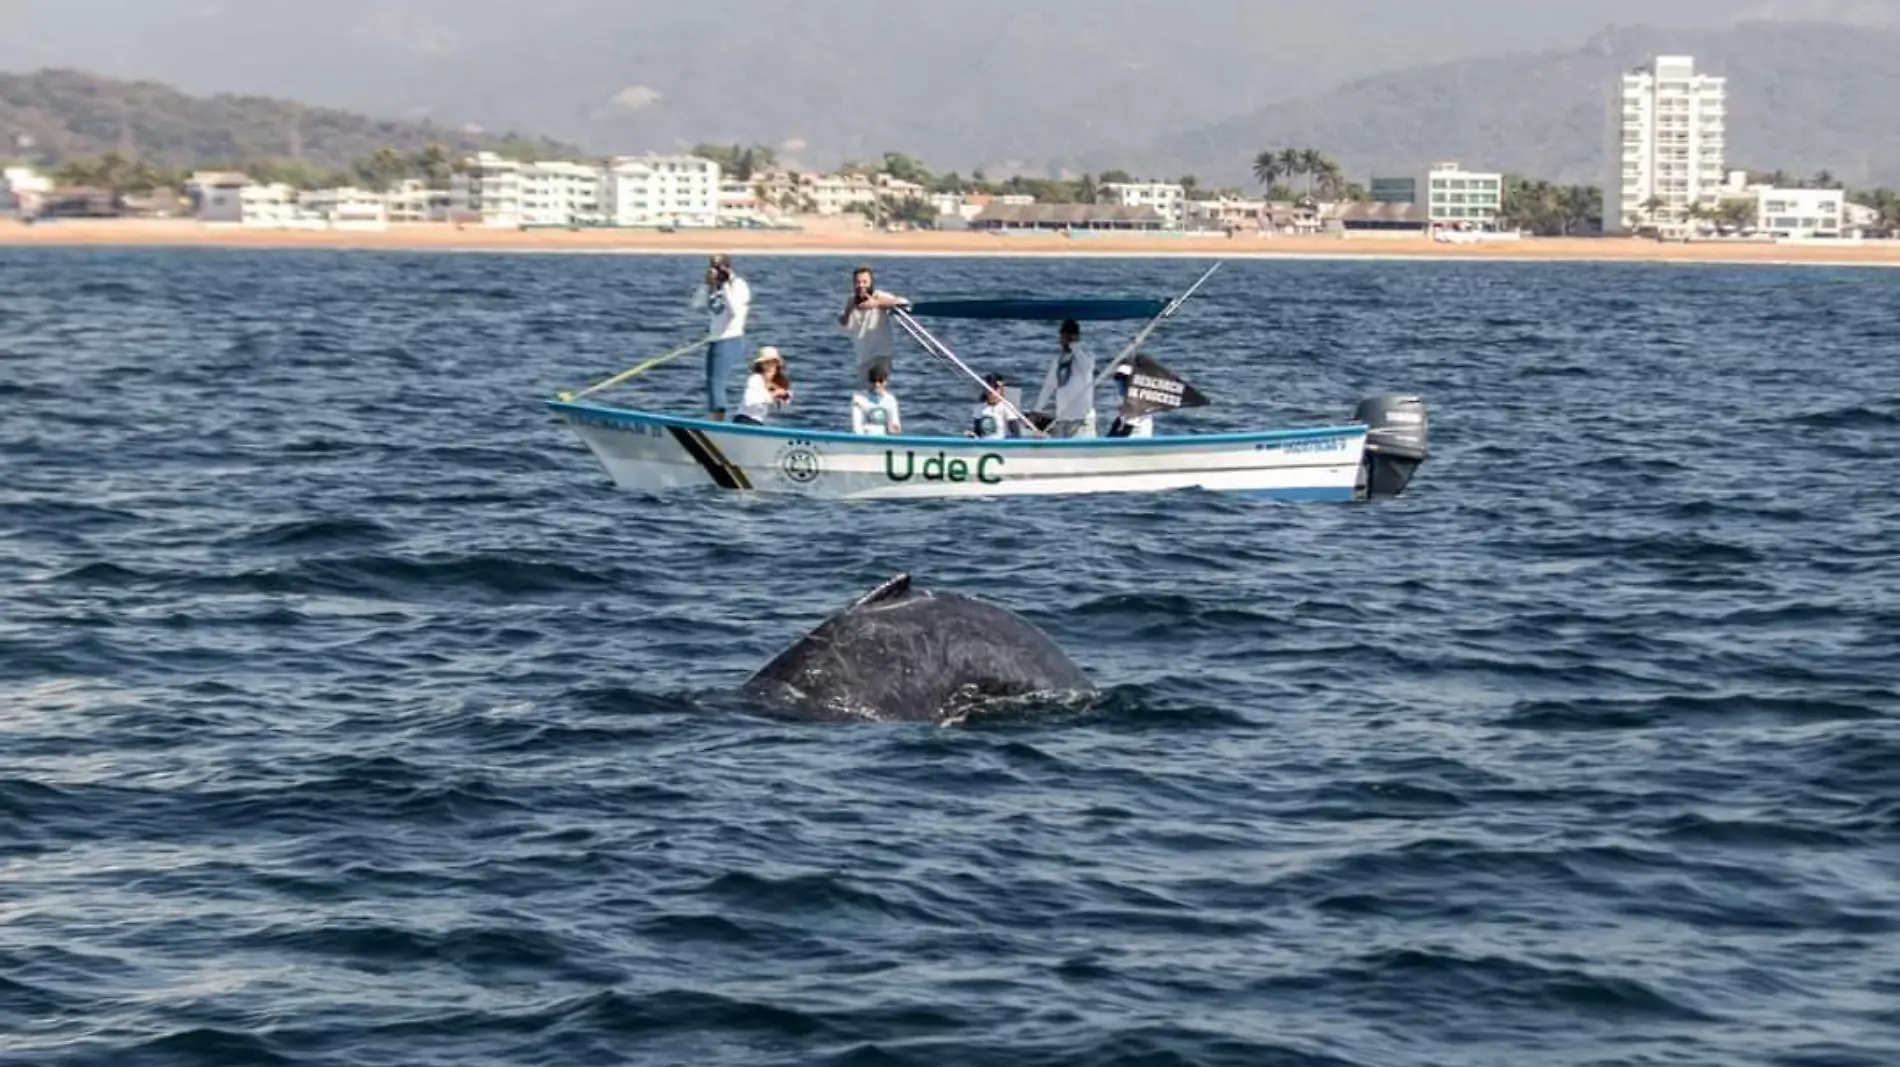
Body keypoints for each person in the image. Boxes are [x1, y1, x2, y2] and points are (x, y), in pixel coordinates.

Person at [687, 253, 752, 420]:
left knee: (716, 382)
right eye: (712, 267)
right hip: (716, 340)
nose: (715, 270)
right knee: (711, 382)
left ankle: (718, 422)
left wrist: (725, 286)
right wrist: (706, 285)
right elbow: (695, 305)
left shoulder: (739, 285)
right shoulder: (713, 287)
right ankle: (715, 417)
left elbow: (735, 310)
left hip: (730, 338)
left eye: (719, 267)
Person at [837, 265, 908, 387]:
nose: (861, 285)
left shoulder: (879, 296)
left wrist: (877, 303)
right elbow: (842, 325)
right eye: (858, 282)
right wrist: (849, 309)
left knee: (879, 389)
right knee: (866, 393)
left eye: (865, 282)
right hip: (863, 356)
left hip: (881, 354)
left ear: (871, 283)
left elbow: (903, 302)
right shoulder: (851, 300)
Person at [1032, 317, 1097, 438]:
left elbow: (1087, 368)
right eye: (1061, 338)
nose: (1061, 342)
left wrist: (1075, 348)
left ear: (1073, 338)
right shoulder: (1059, 359)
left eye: (1064, 338)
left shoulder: (1086, 355)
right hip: (1062, 417)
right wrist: (1037, 409)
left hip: (1081, 419)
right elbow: (1049, 386)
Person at [735, 347, 792, 426]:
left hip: (758, 422)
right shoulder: (755, 379)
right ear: (761, 365)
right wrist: (773, 394)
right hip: (744, 420)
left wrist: (783, 394)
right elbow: (749, 401)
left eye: (773, 363)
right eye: (766, 363)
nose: (770, 366)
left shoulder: (775, 382)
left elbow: (785, 402)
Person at [1105, 361, 1154, 438]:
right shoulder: (1128, 403)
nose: (1121, 383)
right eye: (1118, 378)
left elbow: (1126, 431)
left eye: (1125, 379)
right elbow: (1115, 427)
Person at [850, 363, 902, 435]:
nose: (877, 384)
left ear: (885, 382)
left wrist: (895, 429)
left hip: (883, 440)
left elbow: (895, 425)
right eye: (873, 380)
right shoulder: (859, 399)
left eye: (880, 381)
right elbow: (856, 427)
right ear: (869, 381)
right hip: (864, 439)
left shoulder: (891, 400)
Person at [970, 373, 1019, 440]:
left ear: (1001, 389)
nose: (992, 392)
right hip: (984, 445)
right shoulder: (979, 407)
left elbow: (1016, 433)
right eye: (989, 389)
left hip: (1000, 445)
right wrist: (972, 436)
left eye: (995, 388)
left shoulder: (1006, 406)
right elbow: (977, 432)